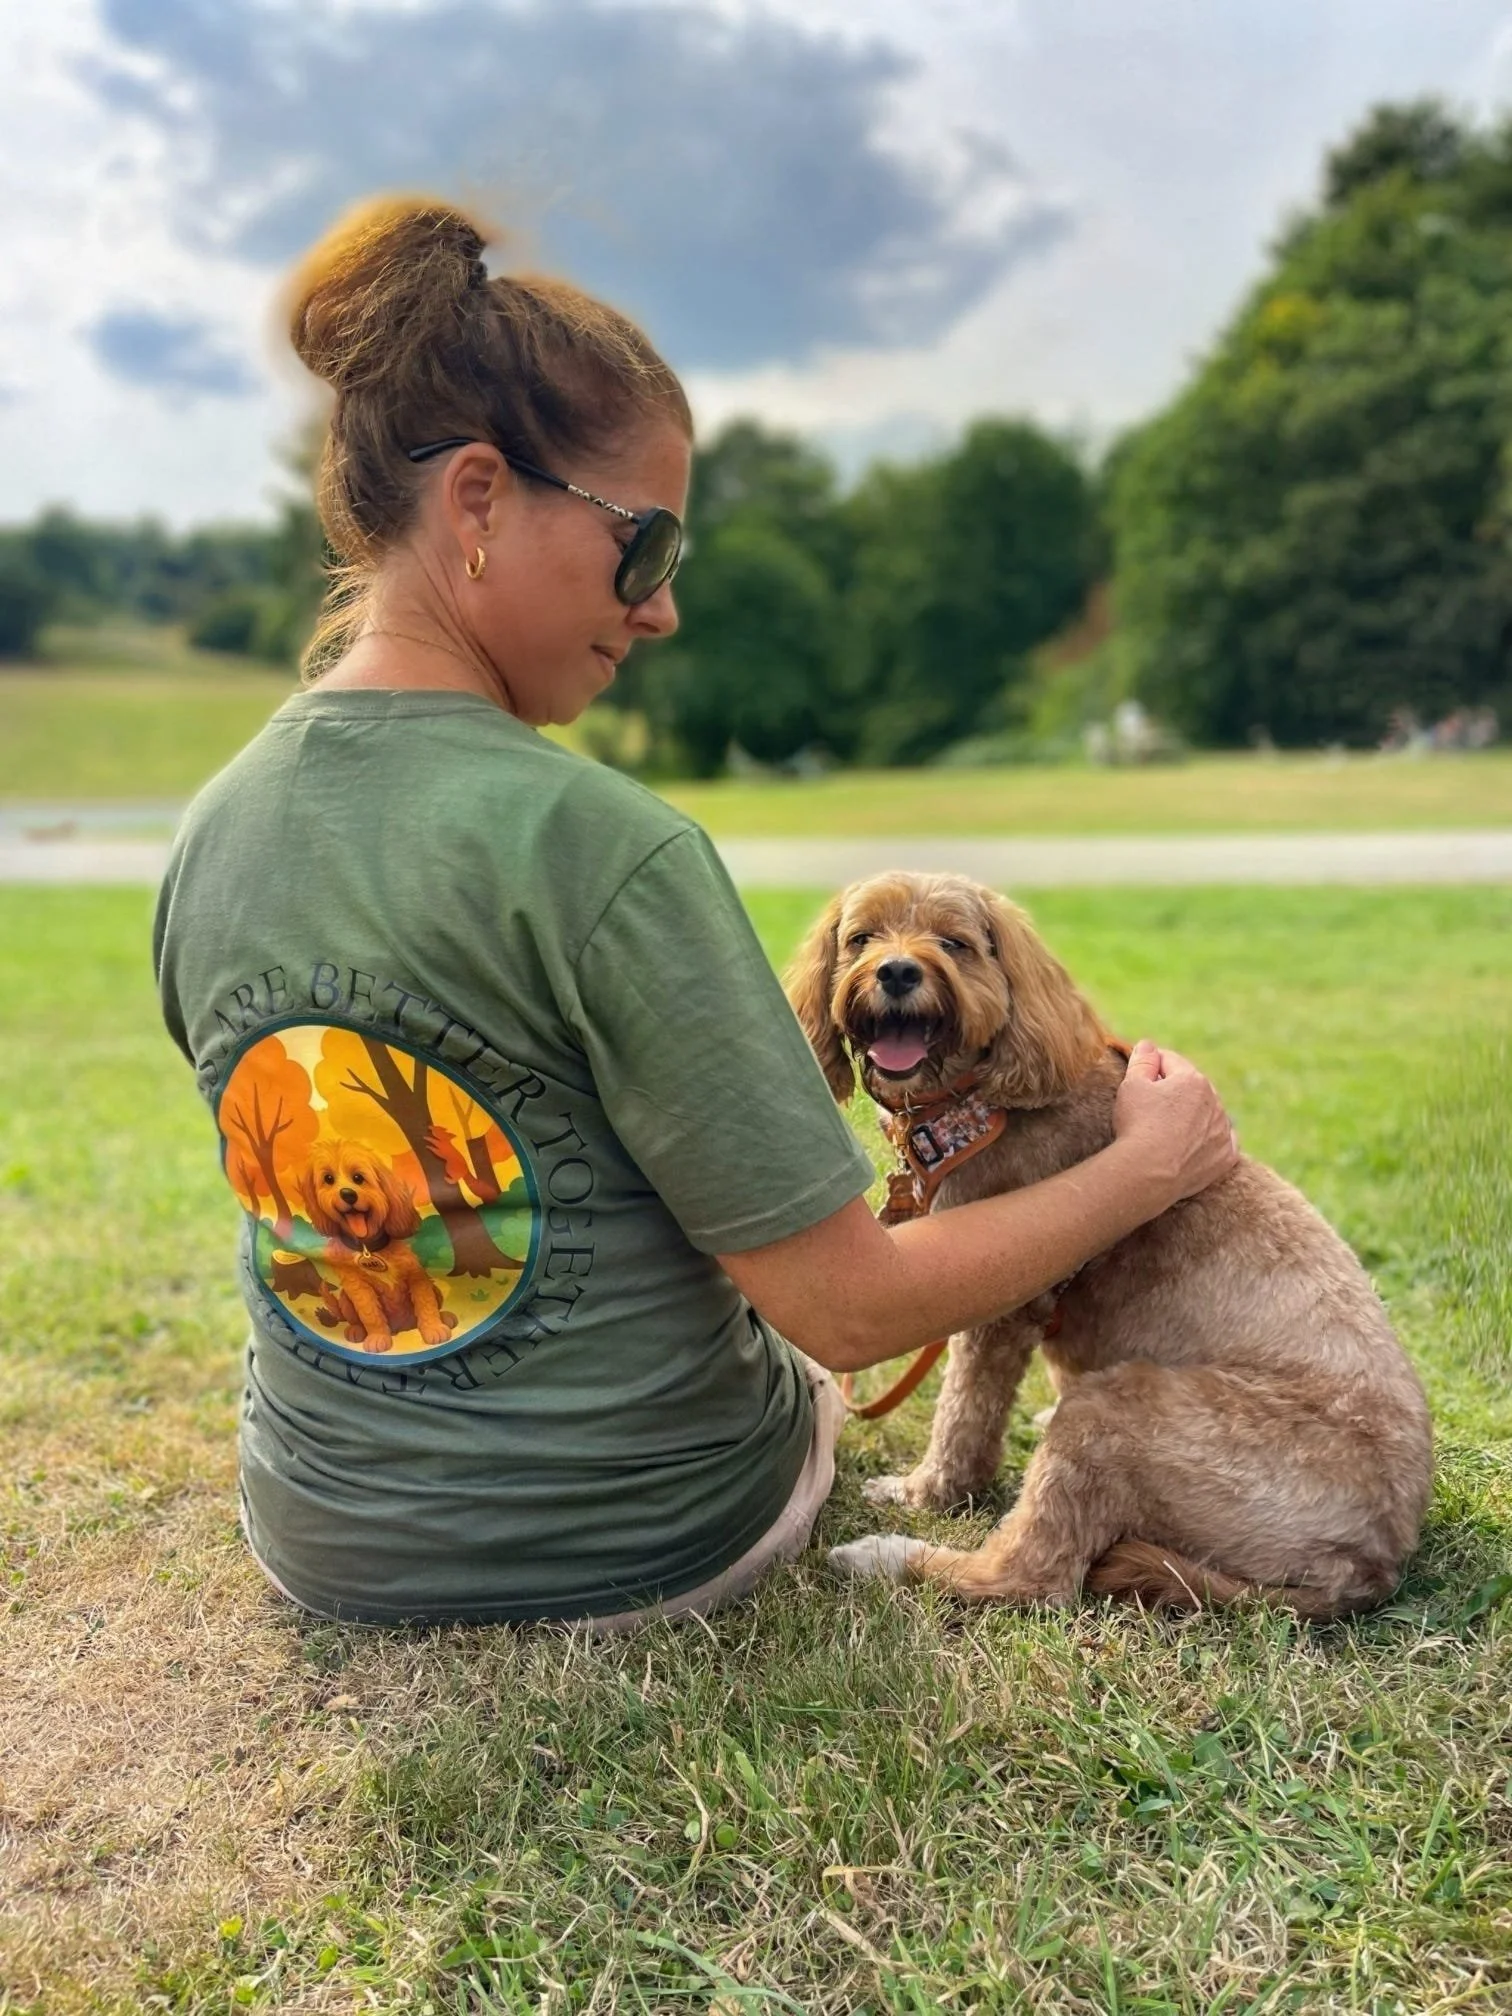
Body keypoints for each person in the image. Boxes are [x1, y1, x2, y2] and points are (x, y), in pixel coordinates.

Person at [152, 195, 1238, 1630]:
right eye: (645, 546)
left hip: (321, 1537)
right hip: (631, 1547)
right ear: (477, 500)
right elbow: (847, 1308)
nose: (660, 609)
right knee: (807, 1376)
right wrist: (1145, 1167)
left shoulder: (208, 832)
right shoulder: (608, 846)